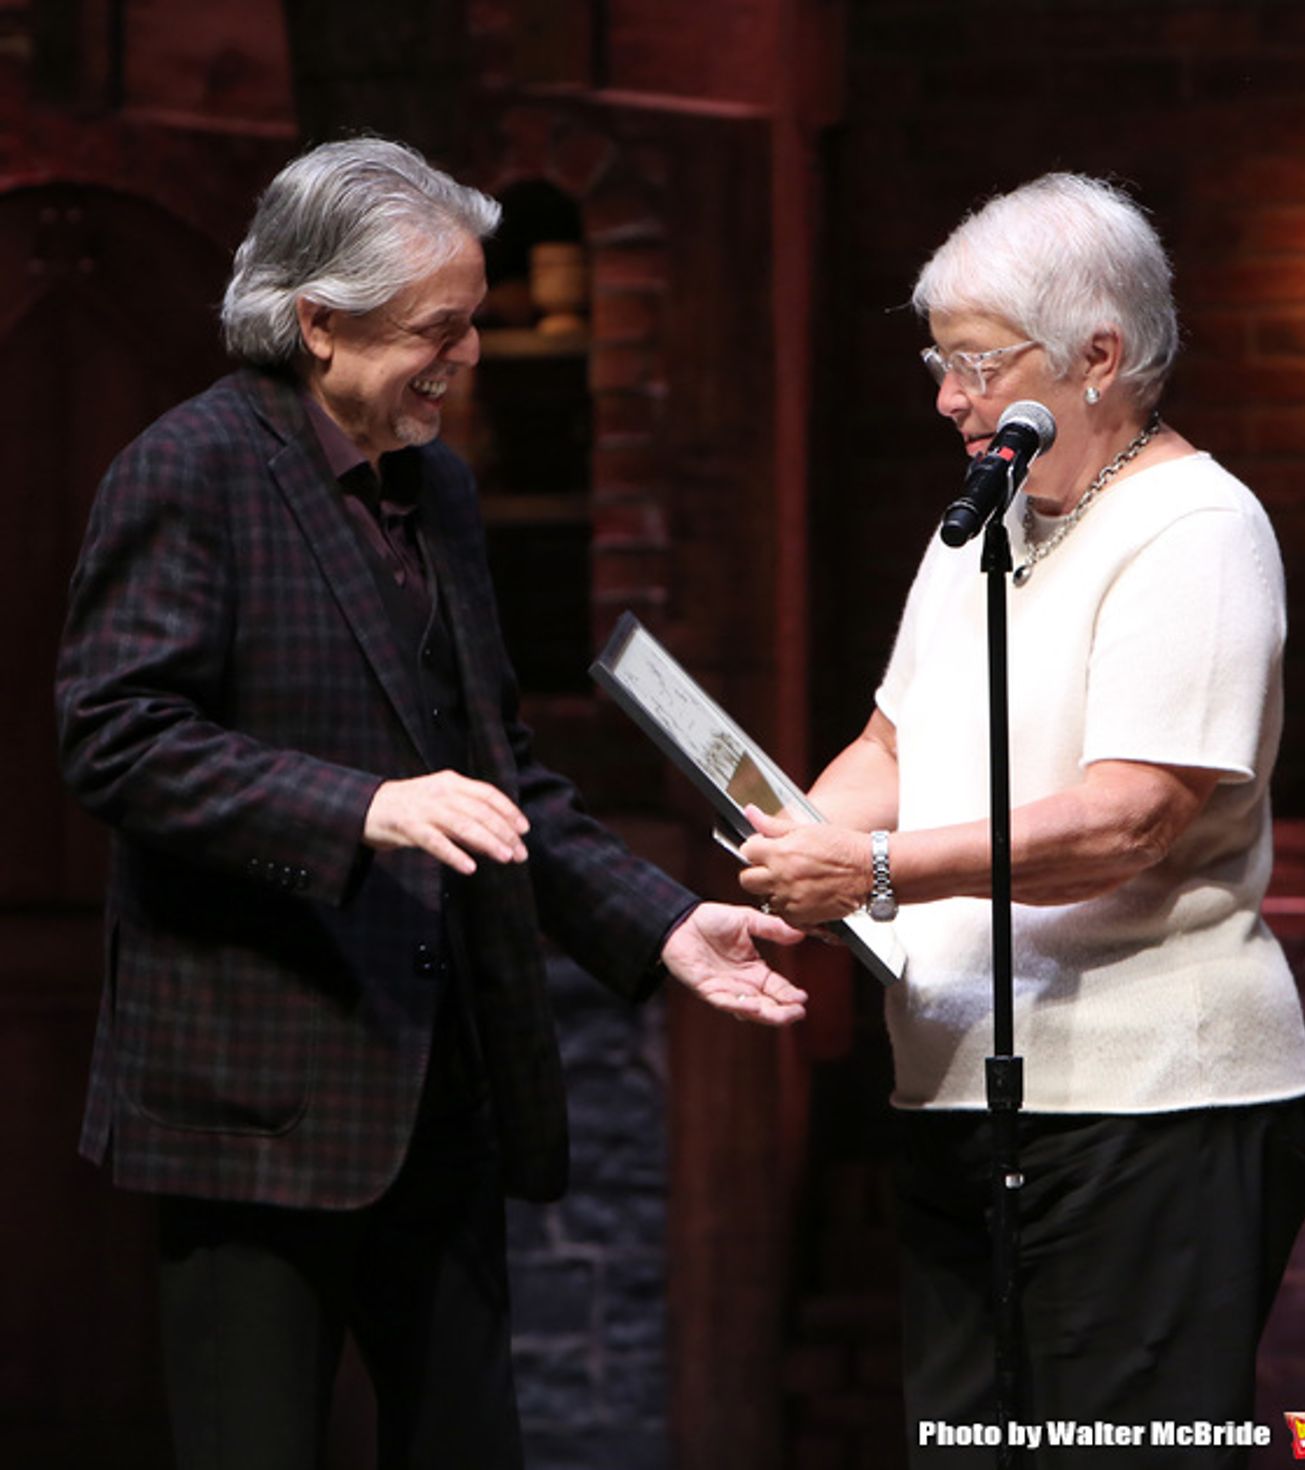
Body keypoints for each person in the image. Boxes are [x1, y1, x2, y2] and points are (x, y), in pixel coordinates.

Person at [55, 137, 805, 1470]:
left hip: (438, 1091)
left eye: (474, 324)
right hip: (253, 1104)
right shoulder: (191, 472)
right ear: (318, 323)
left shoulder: (437, 487)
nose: (465, 358)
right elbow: (115, 739)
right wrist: (358, 807)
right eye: (438, 331)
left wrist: (662, 926)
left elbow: (498, 769)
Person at [738, 173, 1305, 1466]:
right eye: (937, 361)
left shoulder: (1197, 527)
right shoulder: (980, 524)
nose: (946, 396)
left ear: (1098, 356)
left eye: (974, 364)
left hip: (1146, 1107)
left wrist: (875, 870)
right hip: (958, 1090)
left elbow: (1132, 821)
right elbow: (893, 743)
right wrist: (780, 866)